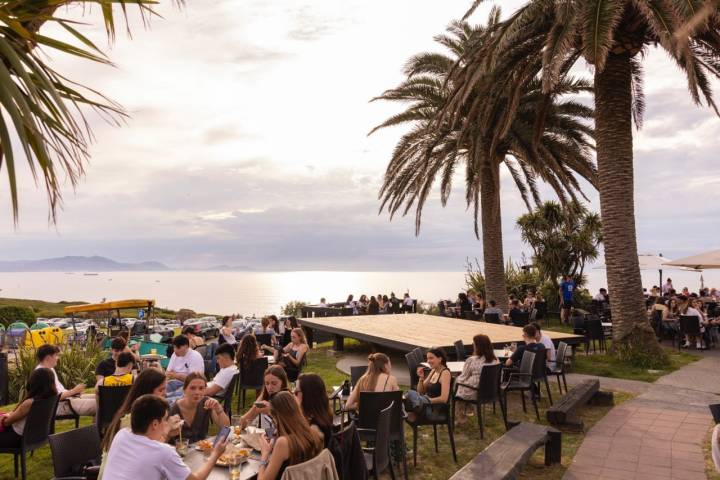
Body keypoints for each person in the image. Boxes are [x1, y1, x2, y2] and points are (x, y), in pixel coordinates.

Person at [103, 394, 226, 480]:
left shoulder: (121, 434)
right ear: (155, 424)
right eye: (165, 419)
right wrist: (215, 454)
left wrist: (166, 432)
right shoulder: (164, 452)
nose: (167, 423)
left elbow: (147, 448)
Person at [256, 391, 324, 480]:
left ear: (278, 417)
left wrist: (264, 454)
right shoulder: (314, 432)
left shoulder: (283, 443)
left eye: (273, 419)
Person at [0, 368, 56, 448]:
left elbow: (6, 423)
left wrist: (5, 417)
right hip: (36, 436)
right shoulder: (51, 398)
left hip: (17, 438)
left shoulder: (30, 403)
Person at [35, 344, 96, 417]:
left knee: (100, 396)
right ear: (48, 358)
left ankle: (99, 427)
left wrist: (73, 393)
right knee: (102, 404)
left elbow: (59, 391)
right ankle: (100, 427)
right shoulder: (42, 374)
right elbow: (52, 398)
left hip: (66, 400)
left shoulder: (49, 369)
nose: (58, 358)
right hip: (60, 405)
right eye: (56, 355)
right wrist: (74, 391)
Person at [168, 372, 230, 443]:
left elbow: (226, 427)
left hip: (201, 449)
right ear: (184, 390)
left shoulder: (206, 403)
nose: (197, 392)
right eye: (192, 388)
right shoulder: (173, 408)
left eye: (201, 388)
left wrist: (219, 410)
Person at [455, 335, 499, 422]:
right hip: (491, 391)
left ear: (478, 346)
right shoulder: (495, 360)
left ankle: (461, 417)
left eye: (474, 344)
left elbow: (463, 377)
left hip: (476, 392)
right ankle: (468, 408)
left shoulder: (471, 360)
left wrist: (455, 379)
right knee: (462, 386)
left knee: (457, 385)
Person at [404, 348, 451, 422]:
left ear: (440, 359)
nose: (428, 361)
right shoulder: (433, 370)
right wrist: (421, 378)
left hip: (433, 409)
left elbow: (444, 398)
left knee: (409, 394)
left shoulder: (445, 373)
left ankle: (413, 408)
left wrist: (427, 401)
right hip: (424, 404)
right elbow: (420, 391)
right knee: (408, 394)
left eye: (431, 358)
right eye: (427, 358)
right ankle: (415, 406)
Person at [239, 365, 290, 429]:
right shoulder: (265, 397)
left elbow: (288, 429)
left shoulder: (289, 400)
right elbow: (242, 424)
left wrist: (270, 412)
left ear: (283, 383)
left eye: (274, 383)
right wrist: (254, 409)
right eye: (267, 383)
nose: (270, 387)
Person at [294, 374, 334, 447]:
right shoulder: (322, 415)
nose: (294, 395)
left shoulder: (314, 429)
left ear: (308, 395)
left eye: (296, 392)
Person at [166, 335, 205, 402]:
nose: (175, 350)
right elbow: (168, 372)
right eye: (174, 347)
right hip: (175, 382)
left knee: (172, 397)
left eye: (178, 347)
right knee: (161, 390)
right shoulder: (175, 355)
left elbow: (194, 379)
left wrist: (175, 375)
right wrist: (180, 376)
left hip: (189, 385)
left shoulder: (195, 356)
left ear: (186, 346)